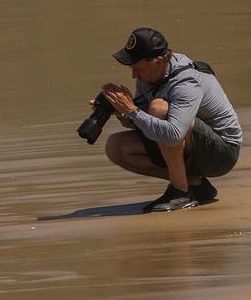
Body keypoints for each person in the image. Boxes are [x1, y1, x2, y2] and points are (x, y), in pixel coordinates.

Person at [100, 28, 242, 212]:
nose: (134, 75)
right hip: (187, 142)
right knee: (116, 147)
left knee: (159, 108)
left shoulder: (186, 81)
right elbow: (146, 124)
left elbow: (173, 135)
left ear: (158, 62)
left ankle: (180, 192)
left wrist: (132, 111)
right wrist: (121, 112)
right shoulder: (149, 76)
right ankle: (195, 185)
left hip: (222, 153)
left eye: (137, 68)